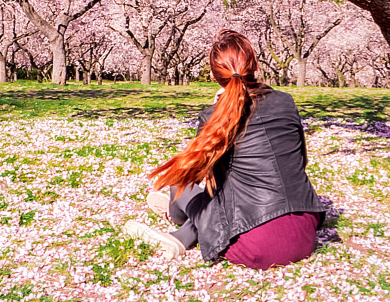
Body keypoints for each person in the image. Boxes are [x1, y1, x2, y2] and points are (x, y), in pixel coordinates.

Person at [123, 29, 325, 270]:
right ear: (255, 65)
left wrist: (218, 106)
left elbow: (202, 178)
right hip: (304, 230)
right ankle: (184, 231)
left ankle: (179, 219)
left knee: (181, 180)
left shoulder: (212, 117)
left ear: (213, 75)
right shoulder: (286, 102)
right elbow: (301, 161)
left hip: (255, 246)